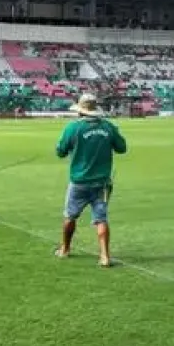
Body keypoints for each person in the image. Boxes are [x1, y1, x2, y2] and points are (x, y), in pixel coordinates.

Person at [54, 93, 127, 267]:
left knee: (70, 216)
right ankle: (105, 256)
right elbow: (122, 148)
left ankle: (65, 249)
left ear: (80, 111)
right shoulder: (108, 127)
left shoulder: (73, 128)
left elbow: (60, 151)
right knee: (101, 218)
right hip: (102, 182)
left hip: (79, 181)